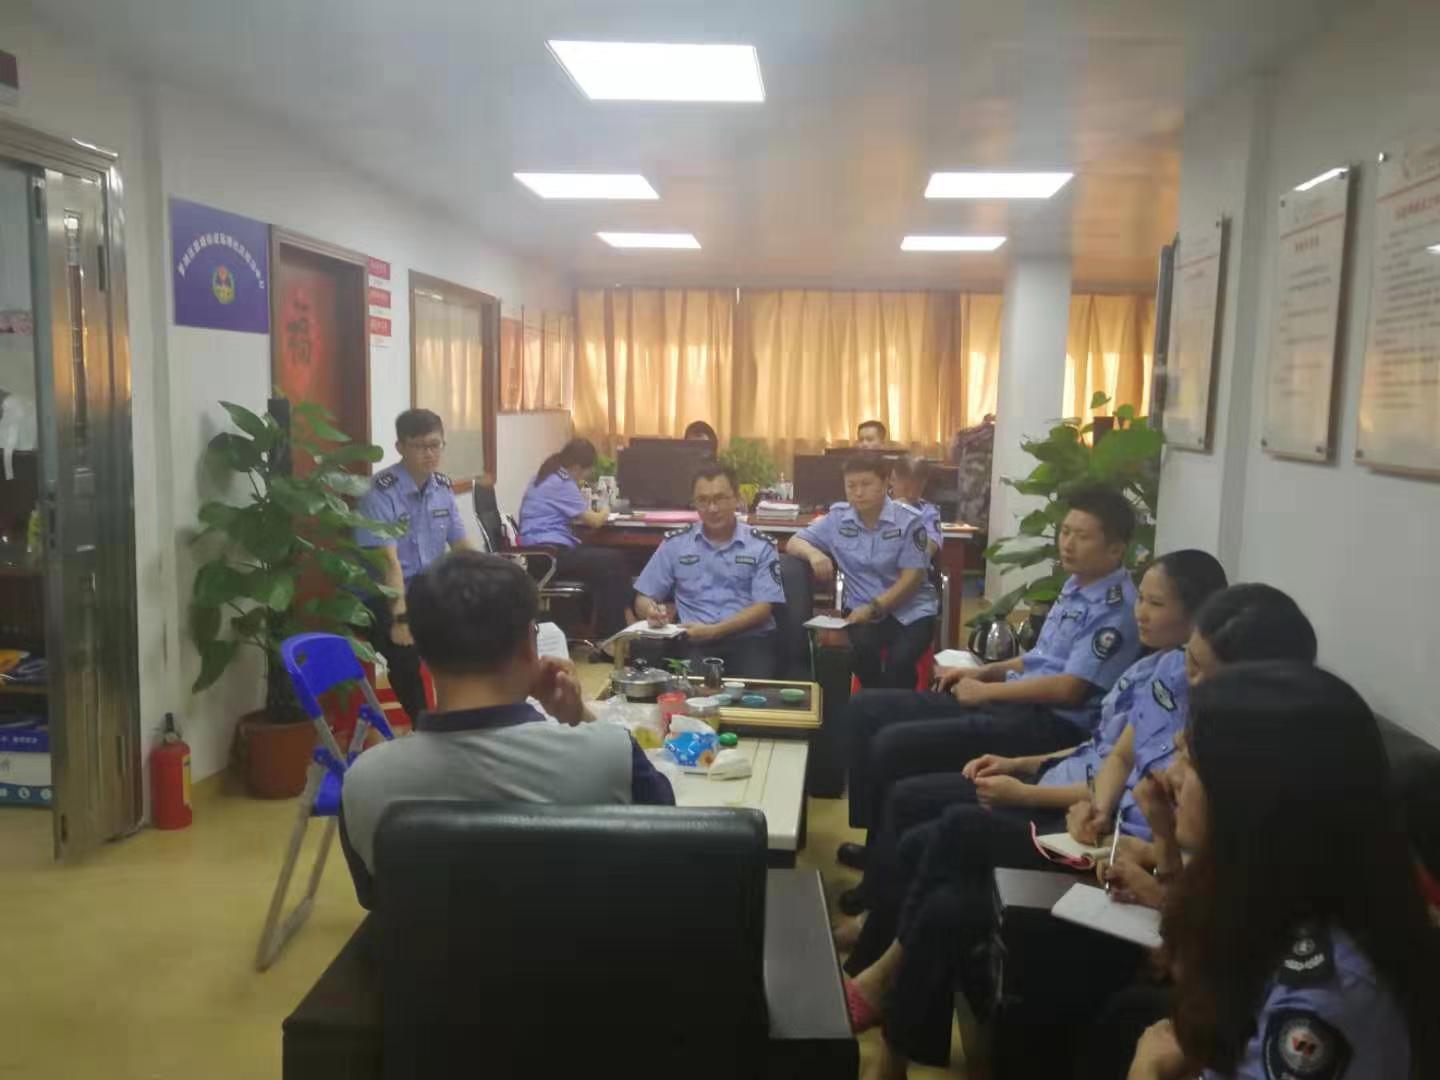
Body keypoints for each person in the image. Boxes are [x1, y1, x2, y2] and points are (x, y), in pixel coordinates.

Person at [843, 586, 1323, 1079]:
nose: (1186, 673)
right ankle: (891, 1045)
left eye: (1200, 667)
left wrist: (1151, 873)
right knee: (944, 892)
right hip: (1114, 850)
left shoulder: (1264, 783)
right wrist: (1118, 824)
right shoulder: (1175, 680)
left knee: (953, 835)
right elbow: (1117, 756)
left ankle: (883, 982)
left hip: (1133, 891)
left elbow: (1218, 925)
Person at [834, 550, 1226, 931]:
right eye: (1142, 598)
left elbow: (1074, 700)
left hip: (1056, 751)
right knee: (884, 742)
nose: (1141, 611)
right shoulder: (1160, 663)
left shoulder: (1202, 716)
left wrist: (1028, 790)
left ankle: (877, 927)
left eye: (1155, 603)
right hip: (1063, 773)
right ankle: (877, 895)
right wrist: (1017, 758)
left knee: (911, 780)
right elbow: (1109, 749)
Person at [1125, 663, 1439, 1080]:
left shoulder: (1326, 992)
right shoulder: (1276, 882)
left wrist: (1146, 1071)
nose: (1171, 774)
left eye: (1191, 759)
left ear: (1256, 797)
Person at [339, 551, 675, 909]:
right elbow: (669, 847)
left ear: (421, 651)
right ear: (530, 644)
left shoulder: (364, 780)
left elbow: (375, 900)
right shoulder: (609, 754)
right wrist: (579, 716)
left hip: (433, 947)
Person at [837, 486, 1144, 863]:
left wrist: (986, 693)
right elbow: (1039, 659)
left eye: (1082, 536)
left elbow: (1069, 689)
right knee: (866, 707)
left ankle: (881, 858)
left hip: (1049, 725)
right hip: (1014, 702)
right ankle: (875, 838)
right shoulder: (1076, 585)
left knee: (893, 744)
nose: (1068, 544)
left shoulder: (1116, 609)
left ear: (1115, 550)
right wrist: (985, 673)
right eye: (1065, 532)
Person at [355, 408, 474, 723]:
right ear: (400, 447)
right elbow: (389, 565)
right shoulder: (379, 493)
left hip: (424, 589)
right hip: (378, 595)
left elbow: (462, 548)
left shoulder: (442, 488)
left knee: (475, 628)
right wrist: (401, 619)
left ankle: (465, 715)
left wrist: (491, 584)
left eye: (435, 445)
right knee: (405, 650)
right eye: (419, 446)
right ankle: (426, 726)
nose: (429, 453)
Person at [787, 454, 936, 690]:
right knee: (861, 655)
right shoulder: (837, 520)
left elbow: (912, 577)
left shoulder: (909, 521)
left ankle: (896, 706)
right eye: (851, 486)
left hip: (911, 610)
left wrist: (875, 607)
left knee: (900, 661)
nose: (858, 493)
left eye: (866, 484)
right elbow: (794, 542)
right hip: (860, 610)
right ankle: (874, 702)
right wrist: (815, 554)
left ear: (885, 482)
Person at [632, 463, 786, 678]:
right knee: (691, 690)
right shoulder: (676, 544)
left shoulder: (761, 545)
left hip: (749, 639)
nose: (712, 508)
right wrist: (651, 611)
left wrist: (715, 631)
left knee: (754, 692)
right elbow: (643, 596)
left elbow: (764, 608)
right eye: (703, 501)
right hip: (694, 641)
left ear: (737, 498)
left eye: (720, 498)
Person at [517, 437, 630, 640]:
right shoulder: (561, 483)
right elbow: (595, 521)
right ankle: (610, 636)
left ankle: (594, 629)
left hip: (537, 554)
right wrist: (608, 508)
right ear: (577, 467)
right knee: (614, 561)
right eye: (587, 472)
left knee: (605, 563)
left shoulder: (544, 476)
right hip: (547, 556)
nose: (585, 477)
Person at [888, 456, 941, 559]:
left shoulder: (930, 512)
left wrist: (910, 518)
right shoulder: (876, 505)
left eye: (918, 489)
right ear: (892, 479)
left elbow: (930, 550)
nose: (911, 494)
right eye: (906, 488)